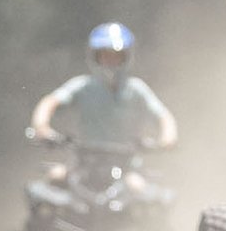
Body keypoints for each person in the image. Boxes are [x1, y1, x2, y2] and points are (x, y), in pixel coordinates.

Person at [29, 23, 178, 187]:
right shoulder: (83, 86)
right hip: (83, 164)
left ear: (126, 57)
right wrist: (41, 127)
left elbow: (163, 116)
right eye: (105, 56)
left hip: (125, 167)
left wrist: (167, 138)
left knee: (138, 189)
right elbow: (49, 102)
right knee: (54, 179)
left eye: (116, 56)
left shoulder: (136, 89)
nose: (111, 62)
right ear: (95, 57)